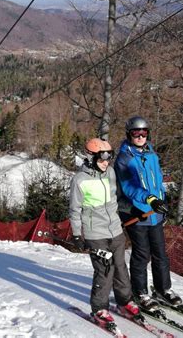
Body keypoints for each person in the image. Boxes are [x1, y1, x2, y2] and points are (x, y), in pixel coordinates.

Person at [69, 138, 140, 326]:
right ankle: (99, 308)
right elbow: (75, 210)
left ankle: (125, 302)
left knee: (120, 267)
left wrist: (134, 210)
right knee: (104, 271)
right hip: (96, 233)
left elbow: (116, 200)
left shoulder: (110, 173)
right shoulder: (79, 180)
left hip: (115, 229)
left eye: (109, 158)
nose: (106, 162)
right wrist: (77, 234)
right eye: (102, 159)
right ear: (90, 157)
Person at [114, 116, 182, 310]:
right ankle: (140, 292)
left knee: (160, 253)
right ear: (129, 134)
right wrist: (150, 199)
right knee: (142, 254)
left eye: (144, 132)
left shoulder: (151, 155)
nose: (140, 136)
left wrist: (163, 199)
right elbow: (129, 187)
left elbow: (157, 182)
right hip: (136, 212)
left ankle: (163, 290)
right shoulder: (124, 158)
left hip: (154, 213)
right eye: (136, 133)